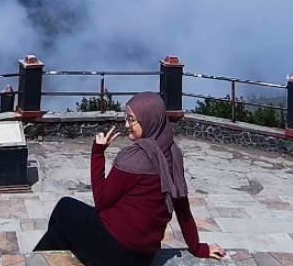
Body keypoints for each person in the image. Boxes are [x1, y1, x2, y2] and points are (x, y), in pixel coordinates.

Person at [33, 92, 227, 266]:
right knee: (58, 233)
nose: (126, 125)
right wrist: (198, 248)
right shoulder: (173, 154)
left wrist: (98, 153)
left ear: (149, 121)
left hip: (114, 250)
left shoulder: (134, 158)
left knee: (64, 206)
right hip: (143, 257)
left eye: (132, 119)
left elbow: (101, 202)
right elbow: (182, 208)